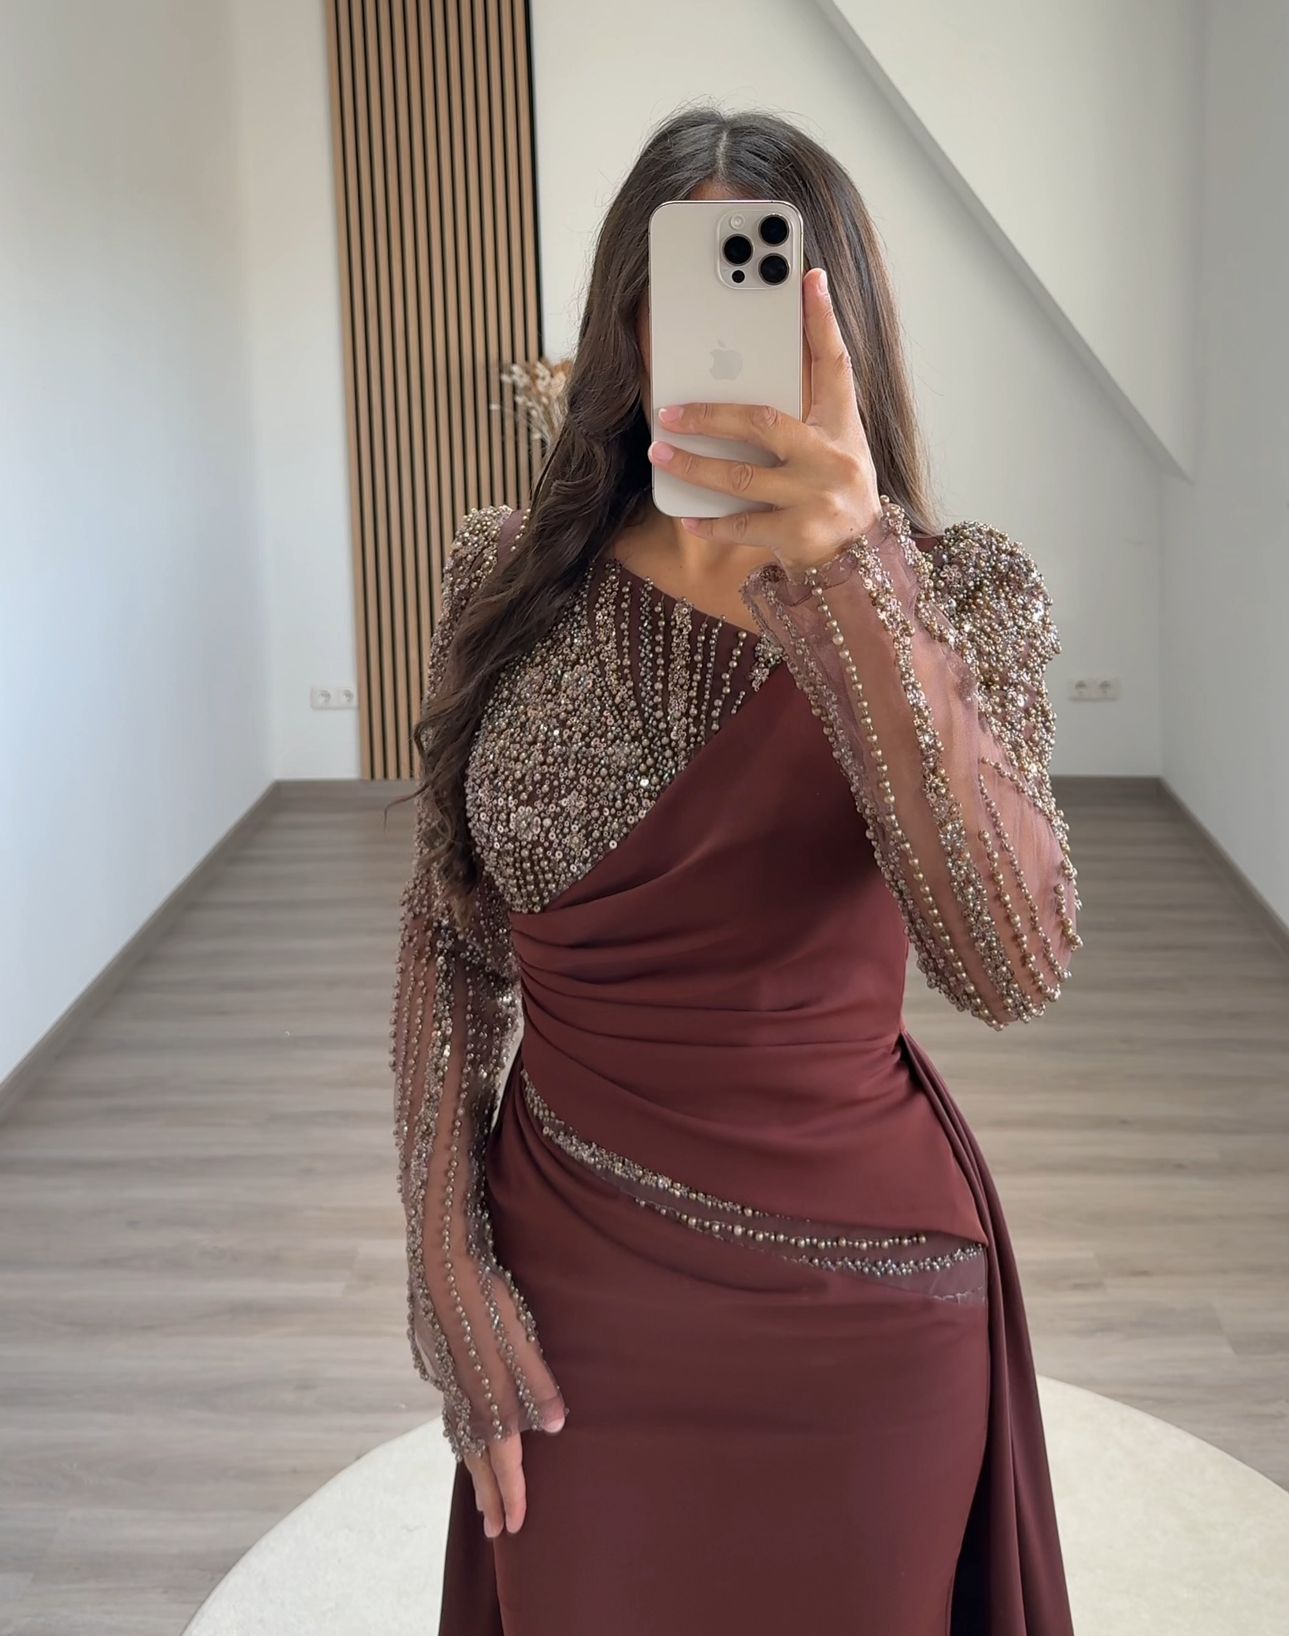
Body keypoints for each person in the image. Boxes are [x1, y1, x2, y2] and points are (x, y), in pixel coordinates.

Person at [389, 107, 1082, 1636]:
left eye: (764, 285)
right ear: (625, 320)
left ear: (841, 324)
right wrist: (445, 1262)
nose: (711, 338)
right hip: (569, 1295)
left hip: (861, 1305)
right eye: (681, 287)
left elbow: (1008, 967)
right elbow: (452, 934)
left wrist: (853, 582)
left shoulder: (960, 593)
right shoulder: (503, 579)